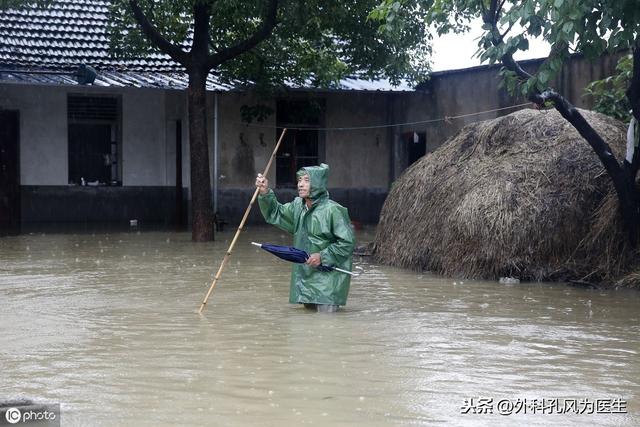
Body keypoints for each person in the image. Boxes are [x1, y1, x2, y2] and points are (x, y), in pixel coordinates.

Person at [255, 163, 355, 312]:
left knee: (327, 326)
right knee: (306, 328)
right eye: (299, 180)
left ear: (318, 183)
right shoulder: (298, 207)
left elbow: (347, 244)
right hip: (305, 280)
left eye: (306, 180)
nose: (300, 184)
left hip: (328, 280)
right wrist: (264, 193)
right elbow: (276, 213)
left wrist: (322, 256)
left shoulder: (334, 210)